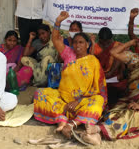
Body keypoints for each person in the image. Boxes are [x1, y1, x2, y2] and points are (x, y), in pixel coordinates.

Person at [81, 35, 139, 144]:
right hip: (130, 100)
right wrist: (130, 43)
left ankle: (98, 131)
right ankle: (97, 134)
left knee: (132, 116)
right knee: (113, 113)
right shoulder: (133, 58)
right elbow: (113, 53)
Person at [33, 11, 107, 139]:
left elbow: (98, 88)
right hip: (63, 100)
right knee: (40, 93)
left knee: (98, 101)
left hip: (83, 101)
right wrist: (58, 22)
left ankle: (72, 124)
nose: (77, 45)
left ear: (87, 44)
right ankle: (61, 121)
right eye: (75, 42)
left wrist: (78, 100)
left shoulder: (93, 61)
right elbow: (55, 39)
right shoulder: (68, 53)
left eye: (81, 42)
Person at [90, 27, 124, 105]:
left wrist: (119, 72)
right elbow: (91, 62)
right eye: (103, 43)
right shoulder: (95, 47)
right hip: (100, 77)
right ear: (100, 40)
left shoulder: (117, 45)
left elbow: (123, 60)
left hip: (114, 76)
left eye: (107, 42)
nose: (105, 45)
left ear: (111, 39)